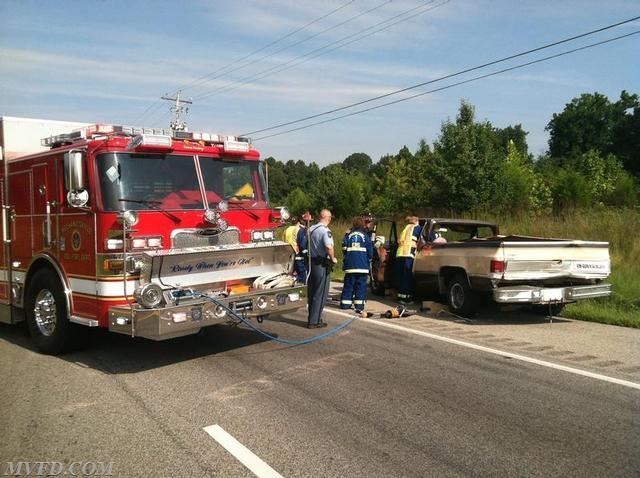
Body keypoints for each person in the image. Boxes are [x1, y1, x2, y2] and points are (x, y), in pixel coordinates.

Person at [307, 209, 338, 328]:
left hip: (311, 263)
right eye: (330, 217)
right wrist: (333, 258)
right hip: (321, 264)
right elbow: (328, 246)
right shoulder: (325, 231)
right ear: (327, 218)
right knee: (321, 293)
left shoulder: (311, 229)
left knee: (312, 292)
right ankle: (315, 321)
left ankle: (311, 317)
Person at [340, 216, 373, 314]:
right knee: (361, 286)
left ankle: (345, 304)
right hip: (362, 266)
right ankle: (359, 306)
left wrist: (349, 256)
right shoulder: (365, 236)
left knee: (349, 285)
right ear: (362, 224)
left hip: (350, 266)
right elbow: (370, 252)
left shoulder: (348, 235)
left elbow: (344, 249)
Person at [396, 216, 422, 304]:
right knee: (407, 276)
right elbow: (425, 239)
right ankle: (405, 298)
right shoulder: (418, 228)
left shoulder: (405, 228)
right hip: (408, 254)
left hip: (400, 254)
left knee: (401, 276)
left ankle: (400, 296)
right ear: (417, 221)